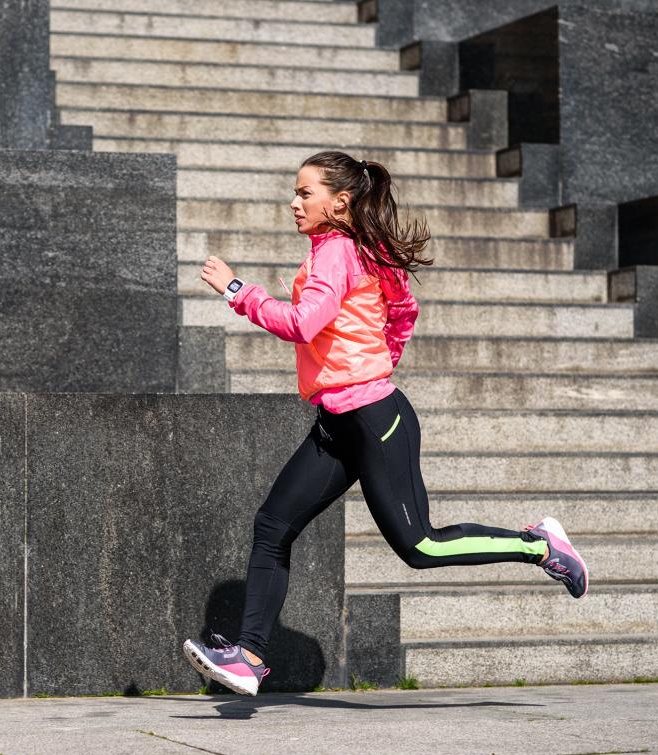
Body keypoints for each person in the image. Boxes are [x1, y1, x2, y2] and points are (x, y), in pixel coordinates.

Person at [181, 151, 588, 697]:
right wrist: (376, 363)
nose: (294, 202)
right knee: (273, 527)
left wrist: (238, 291)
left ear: (339, 202)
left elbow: (303, 324)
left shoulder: (338, 252)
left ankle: (539, 546)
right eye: (295, 192)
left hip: (375, 422)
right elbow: (402, 312)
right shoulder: (348, 253)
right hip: (337, 423)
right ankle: (249, 658)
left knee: (421, 547)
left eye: (305, 193)